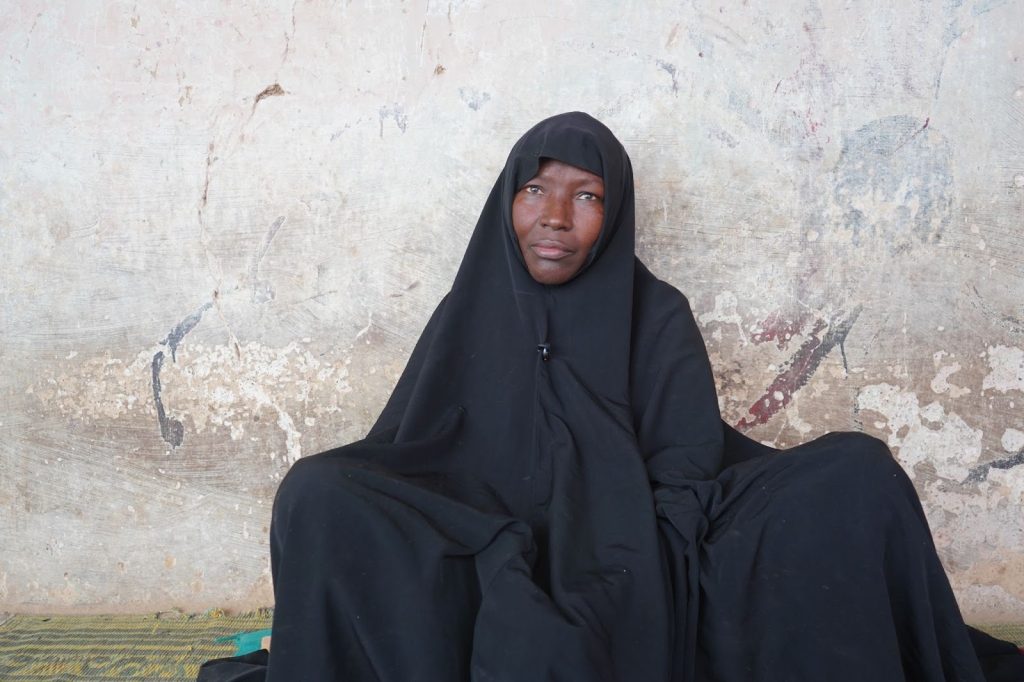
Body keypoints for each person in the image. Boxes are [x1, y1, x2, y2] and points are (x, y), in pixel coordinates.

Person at [199, 112, 1023, 681]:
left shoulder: (654, 312)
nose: (555, 217)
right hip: (487, 530)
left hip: (640, 543)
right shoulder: (467, 311)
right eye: (536, 191)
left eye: (586, 196)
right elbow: (414, 445)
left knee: (856, 473)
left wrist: (612, 565)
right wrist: (504, 548)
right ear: (507, 203)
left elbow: (690, 472)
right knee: (318, 491)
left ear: (614, 212)